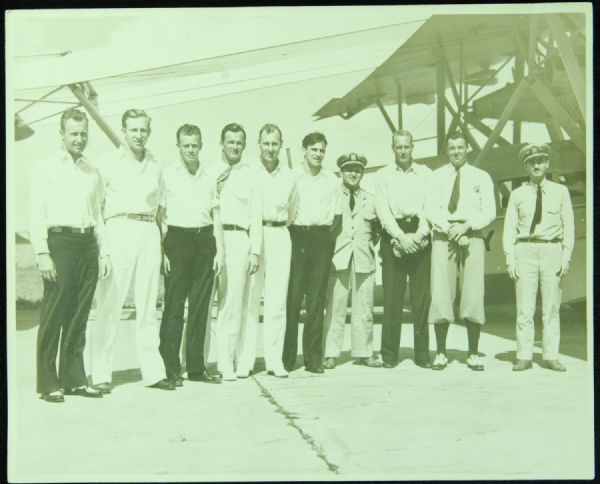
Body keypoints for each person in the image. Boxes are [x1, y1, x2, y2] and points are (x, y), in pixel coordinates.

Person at [29, 108, 111, 402]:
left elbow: (99, 214)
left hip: (87, 243)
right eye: (74, 133)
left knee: (79, 315)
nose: (79, 139)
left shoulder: (93, 171)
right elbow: (36, 212)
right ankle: (48, 382)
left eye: (83, 133)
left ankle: (74, 379)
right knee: (54, 314)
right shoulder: (45, 168)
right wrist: (42, 251)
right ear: (61, 134)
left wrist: (103, 252)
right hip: (59, 243)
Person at [89, 109, 173, 392]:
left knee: (148, 305)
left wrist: (160, 239)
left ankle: (153, 371)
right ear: (123, 131)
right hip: (118, 228)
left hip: (149, 230)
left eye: (143, 130)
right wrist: (103, 249)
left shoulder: (156, 164)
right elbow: (96, 209)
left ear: (149, 132)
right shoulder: (107, 163)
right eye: (133, 130)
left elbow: (162, 204)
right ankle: (100, 373)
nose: (139, 135)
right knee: (110, 304)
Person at [157, 124, 223, 386]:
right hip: (177, 240)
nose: (191, 150)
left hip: (205, 240)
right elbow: (160, 216)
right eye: (186, 145)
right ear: (178, 147)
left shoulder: (209, 176)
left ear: (201, 146)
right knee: (174, 307)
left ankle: (196, 367)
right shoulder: (167, 175)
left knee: (200, 307)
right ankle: (170, 366)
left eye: (195, 145)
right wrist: (164, 250)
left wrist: (218, 251)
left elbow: (216, 215)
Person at [425, 131, 496, 371]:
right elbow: (430, 209)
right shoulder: (436, 177)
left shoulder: (482, 177)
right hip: (444, 236)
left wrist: (466, 226)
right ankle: (441, 353)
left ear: (468, 149)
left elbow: (489, 211)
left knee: (473, 293)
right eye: (452, 147)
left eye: (460, 147)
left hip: (472, 235)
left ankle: (473, 353)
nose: (456, 151)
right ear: (447, 150)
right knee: (441, 293)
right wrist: (449, 228)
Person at [503, 143, 574, 372]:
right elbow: (509, 230)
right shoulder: (517, 195)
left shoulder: (560, 192)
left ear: (547, 164)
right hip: (525, 251)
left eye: (540, 161)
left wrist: (566, 257)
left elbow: (569, 226)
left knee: (551, 306)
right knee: (524, 307)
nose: (536, 165)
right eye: (532, 162)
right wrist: (510, 259)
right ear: (526, 165)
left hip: (552, 250)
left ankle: (551, 355)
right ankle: (523, 355)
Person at [283, 132, 342, 374]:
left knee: (317, 302)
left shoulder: (332, 180)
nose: (318, 154)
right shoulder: (292, 177)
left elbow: (337, 216)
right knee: (293, 300)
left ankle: (312, 359)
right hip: (297, 237)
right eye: (313, 149)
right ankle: (286, 358)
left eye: (321, 150)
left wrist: (327, 239)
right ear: (304, 151)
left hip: (322, 239)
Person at [374, 130, 432, 369]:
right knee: (392, 299)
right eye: (398, 147)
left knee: (421, 299)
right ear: (393, 148)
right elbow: (382, 210)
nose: (403, 151)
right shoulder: (383, 175)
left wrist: (418, 236)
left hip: (419, 234)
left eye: (406, 147)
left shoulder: (425, 174)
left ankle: (422, 355)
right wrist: (399, 237)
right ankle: (389, 355)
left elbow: (431, 206)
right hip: (393, 236)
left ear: (412, 147)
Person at [243, 124, 296, 378]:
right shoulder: (249, 172)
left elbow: (293, 210)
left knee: (277, 301)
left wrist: (279, 228)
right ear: (259, 144)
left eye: (275, 143)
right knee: (251, 298)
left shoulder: (289, 176)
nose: (271, 149)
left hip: (279, 234)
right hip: (255, 235)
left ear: (280, 143)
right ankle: (245, 360)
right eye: (266, 143)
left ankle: (274, 360)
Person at [322, 153, 381, 369]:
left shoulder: (371, 199)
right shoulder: (332, 195)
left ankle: (364, 352)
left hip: (364, 258)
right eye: (349, 169)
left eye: (357, 169)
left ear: (363, 173)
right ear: (341, 173)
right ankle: (330, 352)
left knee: (364, 307)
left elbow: (376, 230)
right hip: (339, 257)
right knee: (335, 306)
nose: (353, 173)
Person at [213, 123, 262, 381]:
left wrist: (255, 251)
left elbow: (256, 214)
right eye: (230, 141)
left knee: (240, 304)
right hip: (215, 240)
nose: (234, 146)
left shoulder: (250, 175)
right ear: (221, 143)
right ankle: (217, 361)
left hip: (240, 239)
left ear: (244, 145)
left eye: (239, 142)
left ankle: (236, 361)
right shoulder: (210, 172)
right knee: (221, 304)